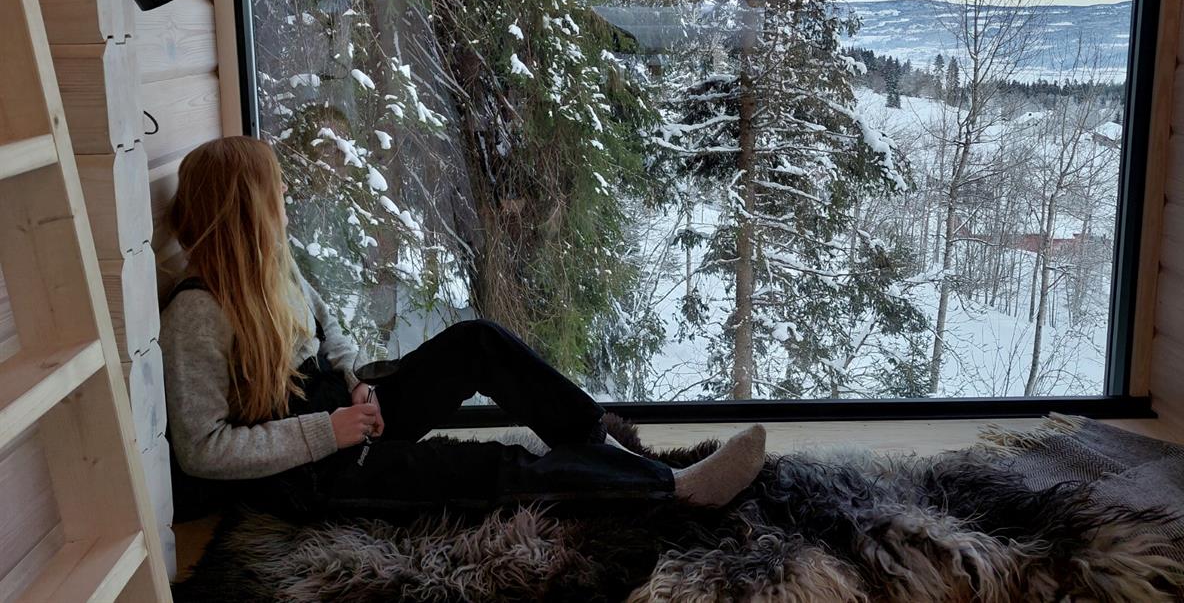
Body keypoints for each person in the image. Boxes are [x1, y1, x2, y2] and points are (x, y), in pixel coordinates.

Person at [160, 136, 767, 518]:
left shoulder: (274, 265)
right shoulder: (197, 313)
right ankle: (672, 489)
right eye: (277, 190)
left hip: (345, 416)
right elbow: (202, 450)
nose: (288, 194)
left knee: (478, 342)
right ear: (247, 210)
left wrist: (353, 383)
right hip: (310, 473)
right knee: (494, 469)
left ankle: (597, 445)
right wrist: (328, 433)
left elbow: (329, 329)